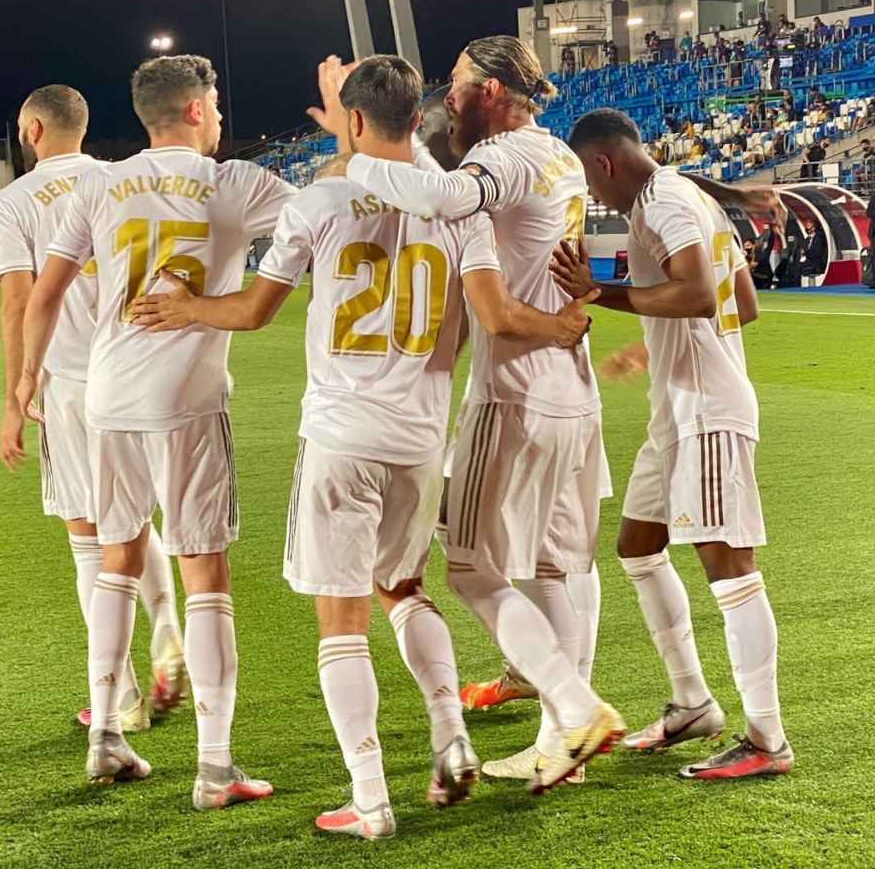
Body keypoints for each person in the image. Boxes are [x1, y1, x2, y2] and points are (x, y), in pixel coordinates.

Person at [130, 55, 599, 837]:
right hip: (420, 441)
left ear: (352, 121)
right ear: (419, 122)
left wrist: (184, 309)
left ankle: (371, 799)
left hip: (342, 437)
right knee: (406, 590)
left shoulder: (318, 202)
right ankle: (450, 741)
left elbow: (251, 312)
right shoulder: (462, 213)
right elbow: (491, 309)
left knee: (341, 623)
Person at [338, 35, 623, 793]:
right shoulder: (554, 154)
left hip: (517, 391)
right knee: (563, 564)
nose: (447, 97)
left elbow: (444, 197)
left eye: (459, 84)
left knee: (466, 563)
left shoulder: (503, 158)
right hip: (571, 387)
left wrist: (354, 147)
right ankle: (562, 739)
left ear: (492, 90)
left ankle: (574, 705)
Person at [19, 54, 295, 805]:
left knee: (117, 556)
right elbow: (325, 222)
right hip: (187, 398)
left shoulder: (101, 182)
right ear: (199, 110)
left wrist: (23, 381)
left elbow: (45, 295)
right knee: (203, 569)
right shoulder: (233, 184)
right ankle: (214, 767)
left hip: (105, 393)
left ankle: (107, 736)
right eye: (217, 107)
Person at [556, 107, 793, 780]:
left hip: (710, 410)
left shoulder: (663, 202)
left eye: (588, 181)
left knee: (729, 565)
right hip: (677, 409)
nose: (592, 196)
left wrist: (601, 292)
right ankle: (692, 702)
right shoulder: (680, 195)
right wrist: (654, 345)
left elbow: (697, 292)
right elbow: (739, 304)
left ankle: (767, 740)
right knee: (637, 545)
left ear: (602, 162)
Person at [0, 84, 186, 739]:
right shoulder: (126, 182)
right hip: (141, 373)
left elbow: (21, 302)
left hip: (74, 381)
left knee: (87, 538)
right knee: (134, 519)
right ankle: (168, 629)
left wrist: (18, 391)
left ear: (34, 130)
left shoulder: (15, 201)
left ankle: (122, 696)